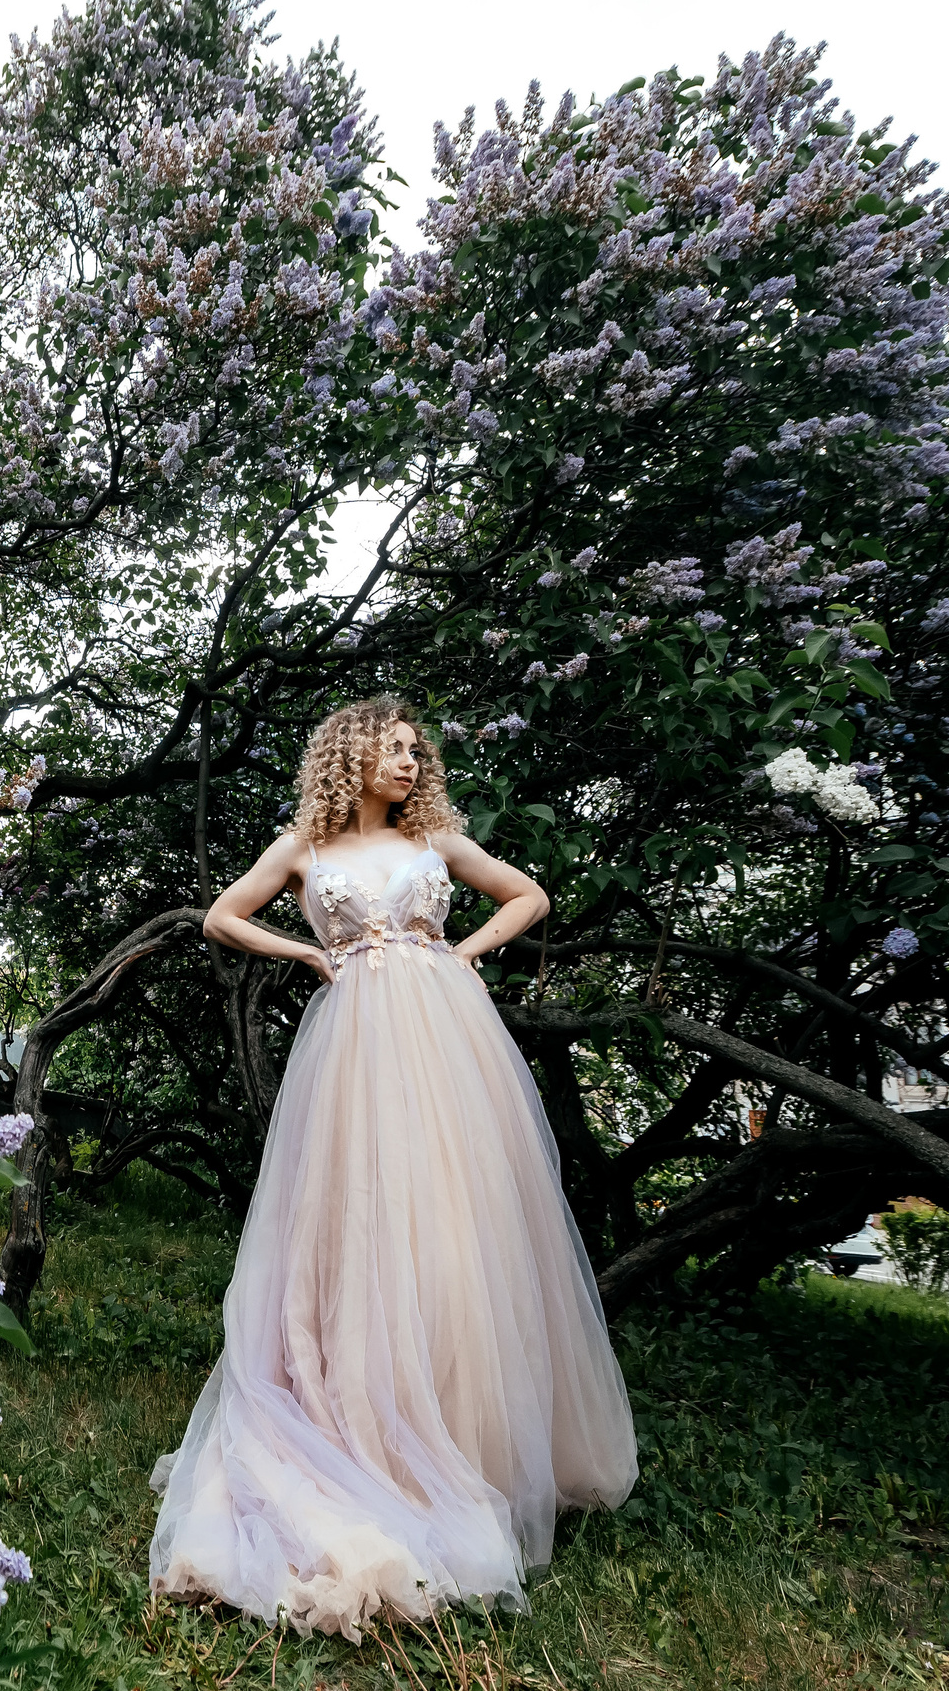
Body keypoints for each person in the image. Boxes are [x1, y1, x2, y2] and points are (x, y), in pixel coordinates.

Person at [147, 695, 639, 1636]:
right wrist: (306, 954)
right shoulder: (303, 848)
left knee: (452, 1227)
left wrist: (464, 952)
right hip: (357, 1047)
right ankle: (358, 1424)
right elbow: (222, 917)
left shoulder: (436, 841)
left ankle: (468, 1443)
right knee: (361, 1222)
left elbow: (529, 896)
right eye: (393, 749)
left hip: (448, 1040)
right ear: (352, 758)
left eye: (417, 751)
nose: (410, 762)